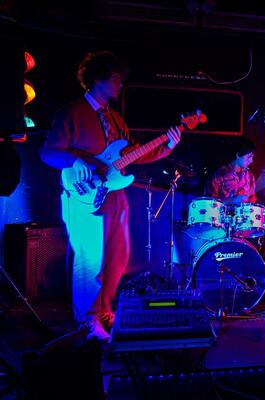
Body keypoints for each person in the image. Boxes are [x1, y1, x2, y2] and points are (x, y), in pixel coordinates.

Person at [40, 51, 181, 340]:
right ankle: (87, 319)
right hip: (83, 196)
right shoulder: (71, 112)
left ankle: (103, 311)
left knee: (118, 256)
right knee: (91, 258)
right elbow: (48, 152)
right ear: (97, 79)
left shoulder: (115, 118)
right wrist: (74, 160)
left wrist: (167, 145)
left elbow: (132, 154)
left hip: (116, 195)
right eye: (115, 79)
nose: (120, 84)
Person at [204, 138, 257, 204]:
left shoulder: (250, 177)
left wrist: (250, 202)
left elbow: (252, 198)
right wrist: (232, 200)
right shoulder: (219, 175)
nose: (251, 161)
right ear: (238, 155)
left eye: (252, 157)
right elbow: (209, 202)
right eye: (249, 157)